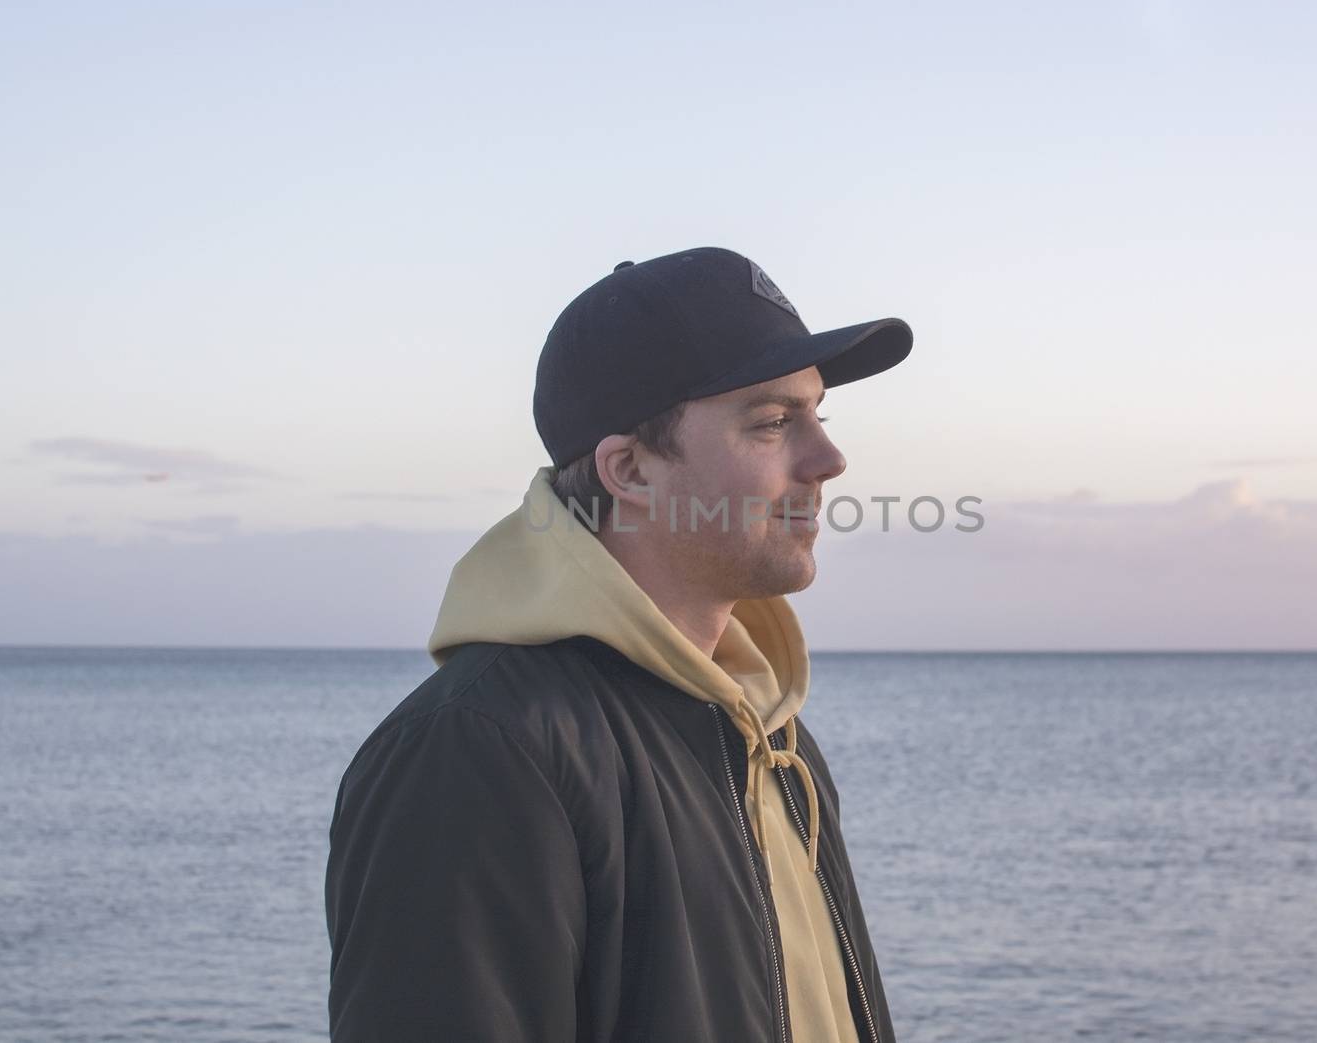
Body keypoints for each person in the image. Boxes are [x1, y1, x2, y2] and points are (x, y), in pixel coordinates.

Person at [324, 246, 914, 1042]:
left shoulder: (772, 734)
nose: (829, 459)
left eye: (819, 415)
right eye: (775, 422)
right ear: (630, 470)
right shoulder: (480, 749)